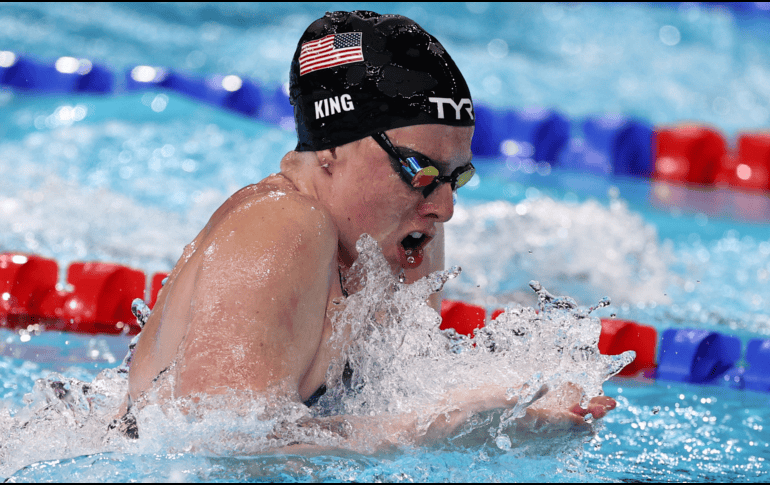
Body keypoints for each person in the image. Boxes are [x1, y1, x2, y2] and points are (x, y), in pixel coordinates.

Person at [123, 10, 615, 448]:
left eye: (455, 177)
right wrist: (439, 426)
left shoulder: (405, 238)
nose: (444, 207)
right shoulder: (281, 224)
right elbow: (214, 445)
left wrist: (519, 418)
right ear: (332, 148)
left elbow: (385, 409)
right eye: (418, 170)